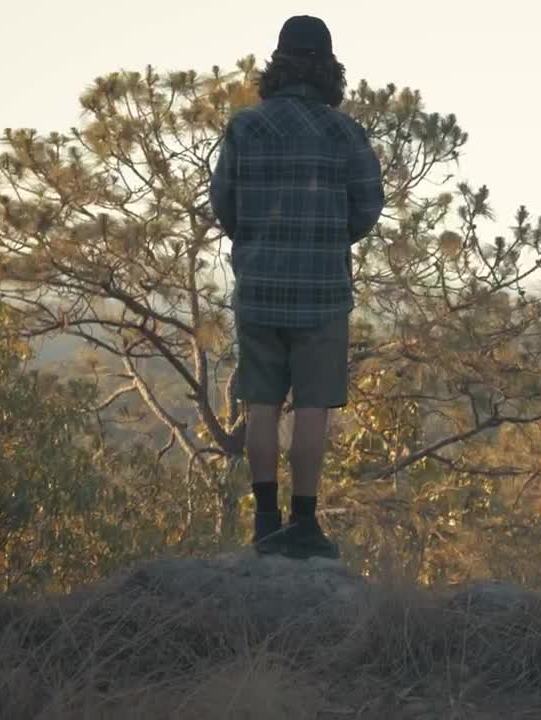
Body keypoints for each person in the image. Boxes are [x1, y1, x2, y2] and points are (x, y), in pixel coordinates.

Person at [209, 15, 384, 560]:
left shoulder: (245, 127)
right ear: (330, 68)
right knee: (313, 408)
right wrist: (331, 237)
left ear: (277, 64)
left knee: (261, 405)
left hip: (260, 289)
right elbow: (368, 206)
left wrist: (258, 238)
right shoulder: (345, 132)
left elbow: (224, 206)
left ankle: (266, 524)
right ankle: (304, 525)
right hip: (322, 294)